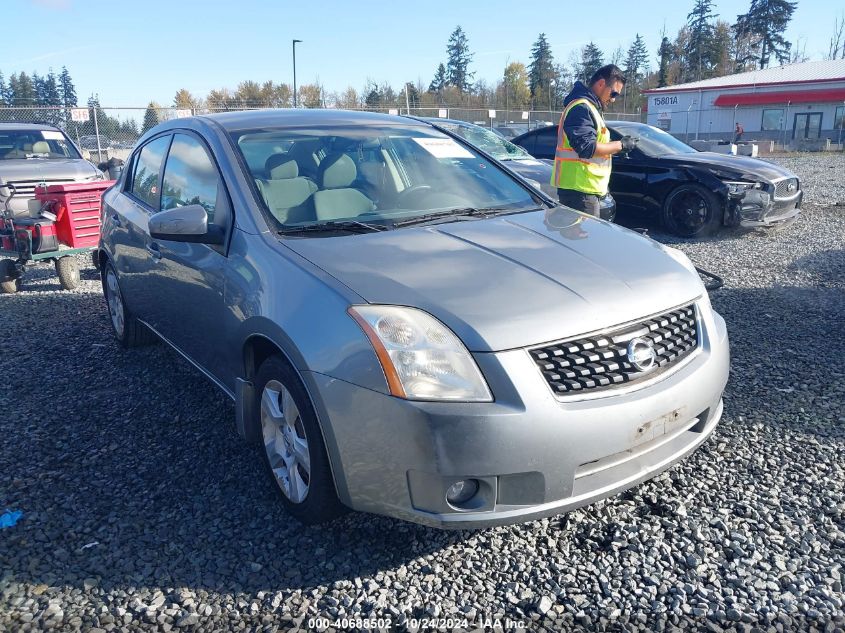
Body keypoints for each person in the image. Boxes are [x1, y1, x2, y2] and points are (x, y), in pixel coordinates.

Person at [551, 64, 637, 217]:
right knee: (584, 241)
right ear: (601, 84)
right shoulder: (581, 108)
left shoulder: (590, 108)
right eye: (614, 93)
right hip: (579, 193)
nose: (613, 99)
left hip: (584, 191)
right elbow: (586, 148)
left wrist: (615, 148)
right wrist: (620, 145)